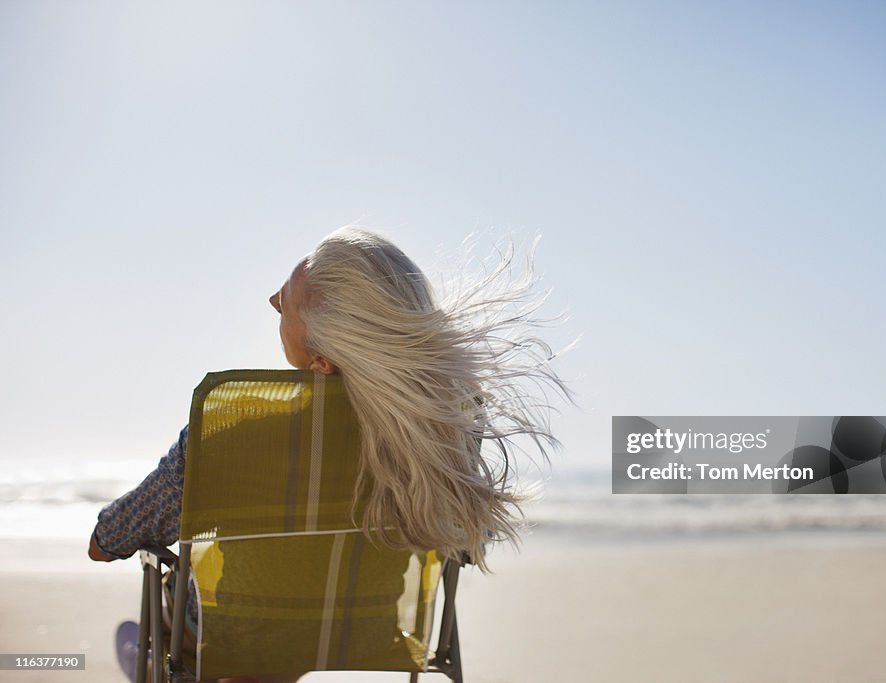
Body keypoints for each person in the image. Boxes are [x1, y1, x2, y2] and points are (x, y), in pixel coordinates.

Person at [89, 226, 570, 681]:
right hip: (363, 631)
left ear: (321, 359)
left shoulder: (235, 433)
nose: (273, 300)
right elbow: (467, 544)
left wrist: (107, 540)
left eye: (288, 303)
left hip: (231, 634)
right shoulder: (439, 438)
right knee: (298, 612)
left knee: (211, 605)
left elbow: (110, 539)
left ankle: (155, 669)